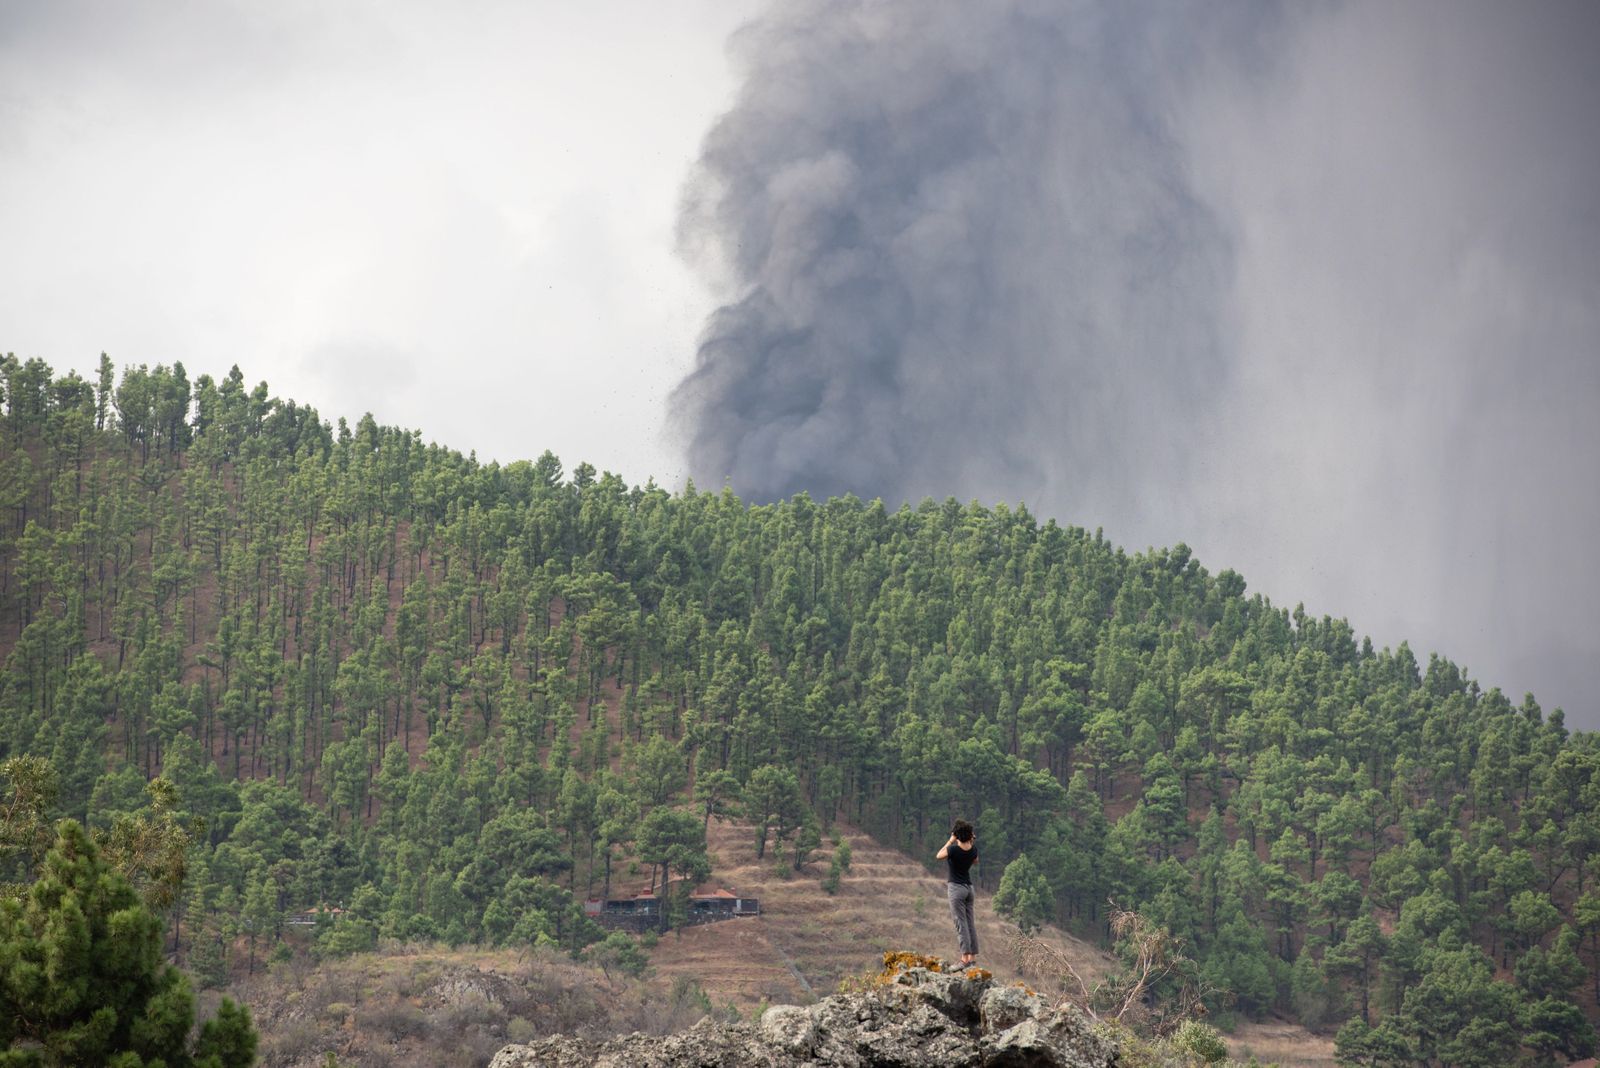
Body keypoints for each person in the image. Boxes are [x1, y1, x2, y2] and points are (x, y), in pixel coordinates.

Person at [936, 819, 979, 966]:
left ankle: (964, 958)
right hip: (969, 888)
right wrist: (970, 841)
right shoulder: (973, 850)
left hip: (956, 888)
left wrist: (950, 841)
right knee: (970, 923)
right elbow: (975, 861)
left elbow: (938, 855)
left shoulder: (953, 850)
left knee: (960, 923)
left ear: (957, 835)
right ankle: (972, 958)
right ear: (969, 835)